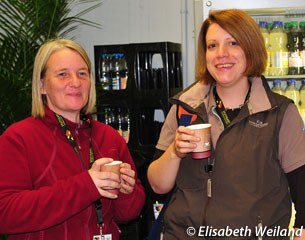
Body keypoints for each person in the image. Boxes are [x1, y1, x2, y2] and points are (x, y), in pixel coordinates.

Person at [147, 9, 305, 240]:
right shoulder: (184, 108)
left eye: (232, 43)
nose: (221, 54)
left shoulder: (280, 113)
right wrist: (175, 152)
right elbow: (157, 186)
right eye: (212, 46)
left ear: (250, 48)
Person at [0, 38, 145, 240]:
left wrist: (127, 191)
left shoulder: (109, 137)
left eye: (82, 73)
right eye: (62, 74)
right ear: (42, 86)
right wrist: (87, 185)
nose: (75, 82)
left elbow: (128, 214)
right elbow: (5, 214)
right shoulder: (18, 138)